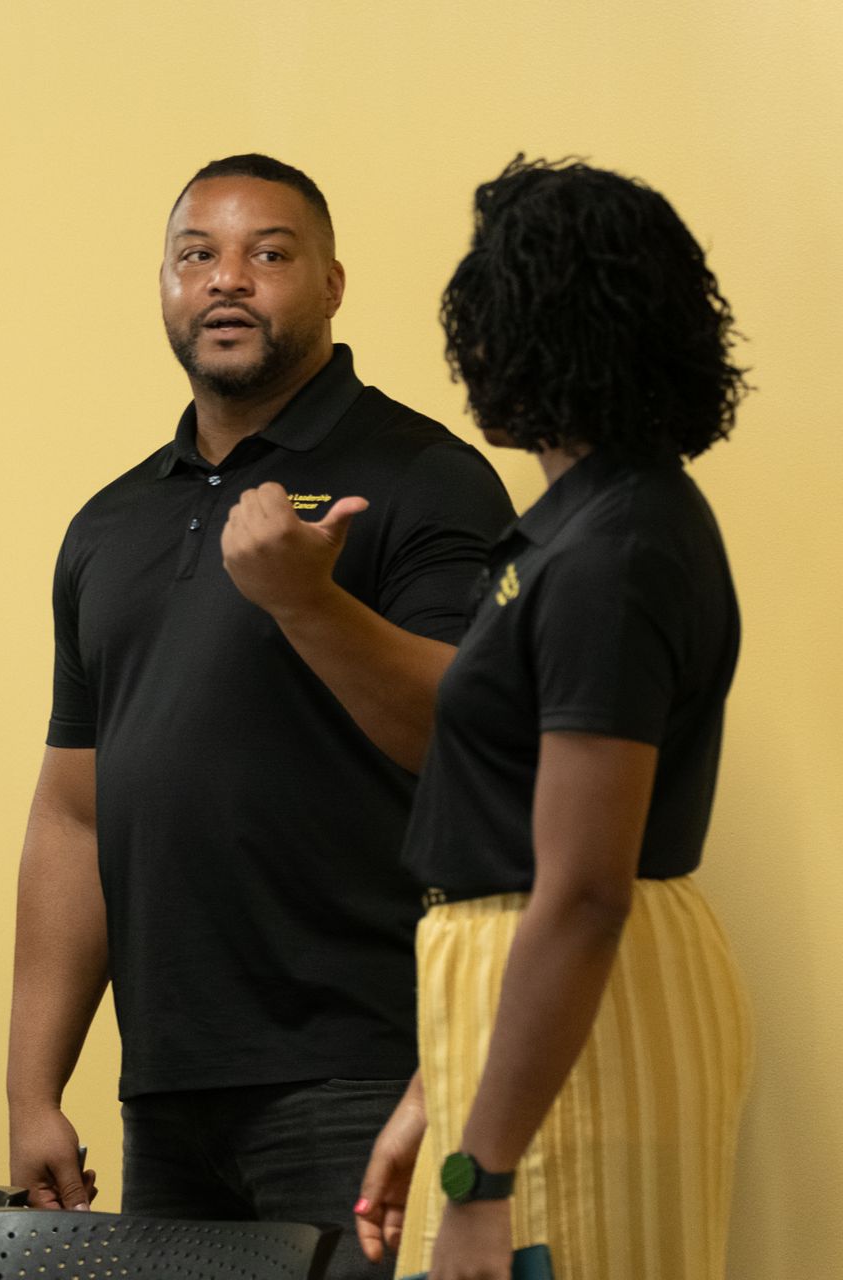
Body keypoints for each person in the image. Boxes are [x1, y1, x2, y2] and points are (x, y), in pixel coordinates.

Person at [5, 154, 515, 1280]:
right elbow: (75, 813)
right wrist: (35, 1085)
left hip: (362, 1071)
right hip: (171, 1086)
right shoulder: (110, 522)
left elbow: (469, 741)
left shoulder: (426, 478)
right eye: (199, 254)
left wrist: (306, 599)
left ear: (332, 283)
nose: (228, 280)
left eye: (268, 254)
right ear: (165, 285)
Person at [354, 157, 753, 1280]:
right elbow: (510, 835)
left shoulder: (612, 552)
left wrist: (483, 1176)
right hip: (531, 1028)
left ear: (530, 329)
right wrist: (435, 1093)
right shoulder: (583, 529)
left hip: (591, 1028)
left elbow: (578, 891)